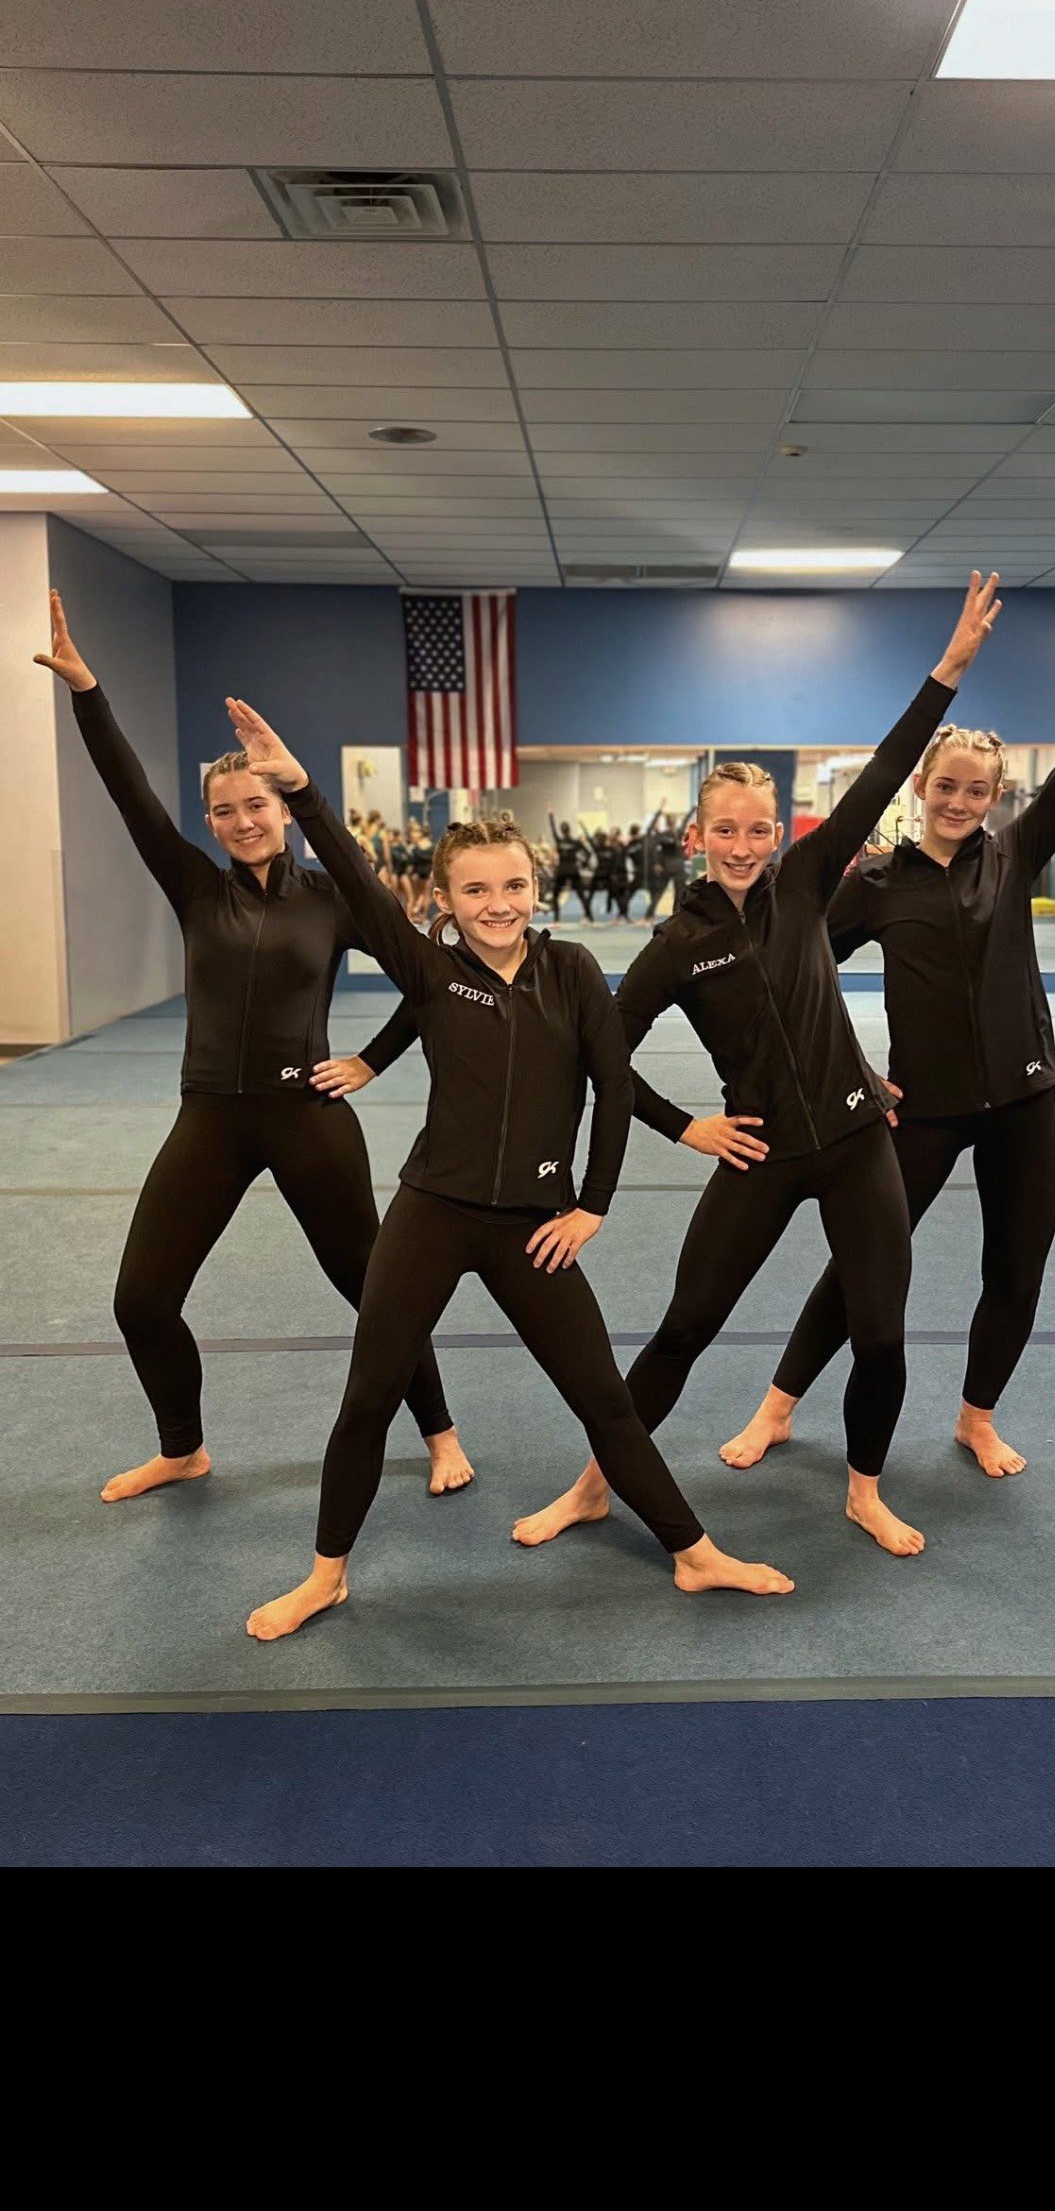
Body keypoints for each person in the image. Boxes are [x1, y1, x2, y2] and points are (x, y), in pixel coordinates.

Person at [221, 702, 796, 1640]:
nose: (498, 905)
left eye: (515, 886)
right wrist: (298, 788)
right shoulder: (430, 972)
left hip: (533, 1224)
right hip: (433, 1212)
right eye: (477, 891)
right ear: (444, 900)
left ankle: (694, 1553)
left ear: (539, 885)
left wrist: (592, 1208)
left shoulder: (572, 972)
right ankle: (326, 1574)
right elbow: (362, 884)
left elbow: (613, 1090)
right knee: (369, 1395)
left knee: (604, 1399)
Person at [509, 574, 1002, 1563]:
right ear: (698, 835)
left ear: (776, 833)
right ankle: (597, 1483)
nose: (741, 846)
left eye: (756, 830)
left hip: (860, 1142)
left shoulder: (813, 883)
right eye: (723, 831)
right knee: (685, 1326)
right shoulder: (675, 945)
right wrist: (686, 1124)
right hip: (760, 1152)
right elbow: (595, 1054)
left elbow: (887, 770)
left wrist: (947, 671)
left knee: (881, 1335)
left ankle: (864, 1490)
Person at [721, 600, 1055, 1483]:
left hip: (1023, 1100)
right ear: (920, 789)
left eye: (979, 791)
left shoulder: (1015, 854)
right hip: (921, 1109)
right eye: (947, 787)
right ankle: (778, 1406)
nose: (961, 802)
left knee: (1015, 1266)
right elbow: (798, 975)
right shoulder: (876, 882)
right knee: (862, 1266)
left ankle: (977, 1416)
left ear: (995, 798)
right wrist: (853, 1072)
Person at [33, 592, 472, 1505]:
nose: (241, 821)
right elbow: (129, 795)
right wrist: (88, 693)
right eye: (225, 809)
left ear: (283, 807)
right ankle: (183, 1446)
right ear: (211, 821)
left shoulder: (334, 898)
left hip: (307, 1117)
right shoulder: (196, 888)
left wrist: (369, 1061)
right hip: (212, 1116)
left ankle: (439, 1430)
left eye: (257, 805)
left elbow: (425, 987)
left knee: (374, 1294)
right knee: (141, 1300)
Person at [548, 813, 593, 921]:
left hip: (562, 870)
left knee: (555, 895)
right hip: (573, 869)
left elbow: (553, 830)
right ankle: (589, 917)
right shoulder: (575, 842)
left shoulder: (559, 841)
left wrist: (550, 815)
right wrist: (583, 863)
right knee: (581, 895)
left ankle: (556, 920)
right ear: (569, 830)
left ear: (562, 831)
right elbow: (588, 853)